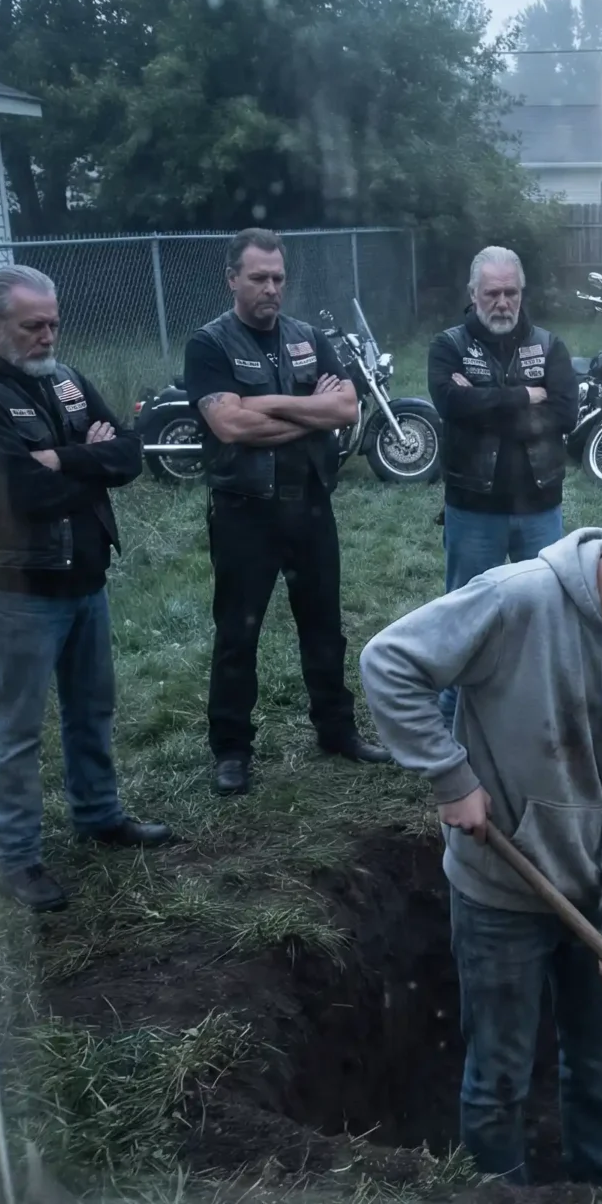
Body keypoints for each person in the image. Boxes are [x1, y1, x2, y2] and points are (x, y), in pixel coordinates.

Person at [360, 465, 602, 1186]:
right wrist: (451, 777)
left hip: (596, 905)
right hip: (498, 889)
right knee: (499, 1076)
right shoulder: (518, 600)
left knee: (601, 1068)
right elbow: (390, 662)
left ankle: (601, 1193)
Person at [0, 266, 170, 912]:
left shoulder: (64, 378)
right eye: (32, 325)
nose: (47, 337)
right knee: (17, 728)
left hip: (86, 576)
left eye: (53, 324)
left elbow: (130, 452)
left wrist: (65, 458)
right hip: (20, 587)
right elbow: (19, 493)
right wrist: (91, 461)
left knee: (92, 709)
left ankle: (99, 814)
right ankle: (17, 857)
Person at [184, 227, 389, 796]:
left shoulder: (308, 337)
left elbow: (346, 409)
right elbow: (229, 424)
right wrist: (309, 411)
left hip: (310, 504)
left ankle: (336, 730)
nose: (271, 288)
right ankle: (231, 750)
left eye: (278, 278)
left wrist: (269, 406)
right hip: (244, 510)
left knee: (324, 625)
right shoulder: (209, 345)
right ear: (232, 279)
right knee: (237, 633)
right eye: (258, 278)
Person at [426, 246, 580, 727]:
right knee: (466, 617)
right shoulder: (448, 346)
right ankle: (451, 718)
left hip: (540, 507)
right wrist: (523, 397)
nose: (502, 302)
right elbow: (450, 405)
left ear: (522, 292)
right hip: (473, 509)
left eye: (511, 292)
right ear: (472, 294)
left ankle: (535, 717)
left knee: (545, 614)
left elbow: (565, 414)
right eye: (492, 292)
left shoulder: (549, 346)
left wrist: (484, 403)